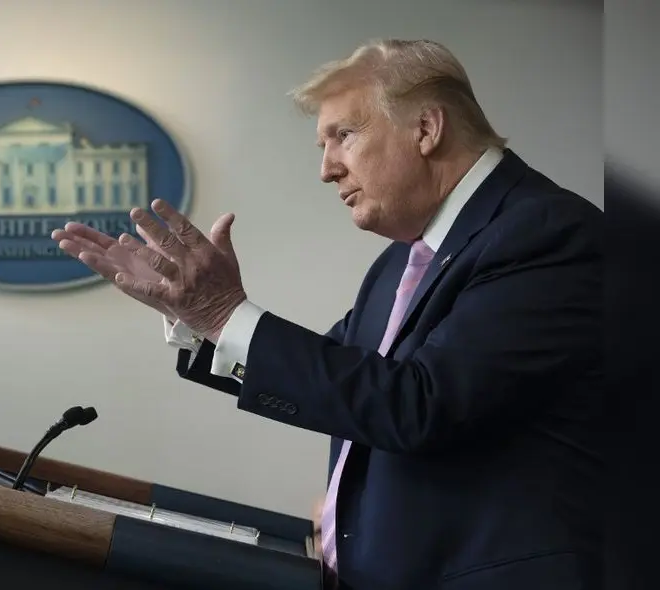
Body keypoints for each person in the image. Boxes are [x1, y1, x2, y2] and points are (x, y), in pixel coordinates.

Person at [51, 38, 603, 590]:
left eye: (344, 135)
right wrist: (199, 318)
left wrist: (224, 312)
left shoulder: (546, 231)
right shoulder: (402, 259)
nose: (326, 169)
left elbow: (419, 406)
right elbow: (347, 381)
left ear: (427, 129)